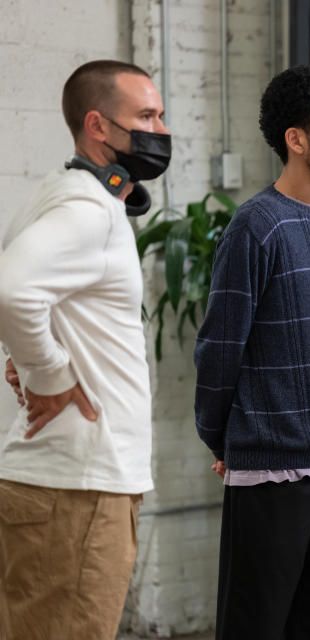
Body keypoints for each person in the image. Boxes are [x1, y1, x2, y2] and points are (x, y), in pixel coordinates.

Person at [0, 60, 169, 640]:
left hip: (60, 482)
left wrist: (25, 358)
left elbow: (33, 299)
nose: (160, 131)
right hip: (79, 487)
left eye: (163, 115)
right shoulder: (87, 209)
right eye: (145, 116)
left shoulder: (56, 193)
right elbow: (11, 291)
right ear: (97, 126)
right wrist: (47, 374)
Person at [193, 65, 310, 640]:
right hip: (268, 469)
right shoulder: (255, 226)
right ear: (297, 138)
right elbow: (219, 348)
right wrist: (228, 441)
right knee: (256, 625)